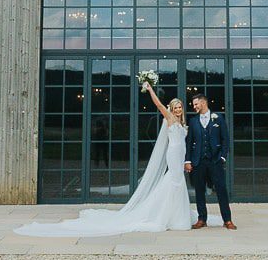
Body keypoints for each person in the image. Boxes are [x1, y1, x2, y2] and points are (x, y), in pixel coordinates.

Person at [15, 80, 192, 236]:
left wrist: (186, 160)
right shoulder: (169, 118)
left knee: (177, 182)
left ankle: (176, 215)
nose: (177, 110)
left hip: (180, 155)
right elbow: (159, 105)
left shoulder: (183, 123)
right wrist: (151, 89)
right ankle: (163, 214)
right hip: (173, 153)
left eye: (179, 107)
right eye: (175, 107)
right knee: (173, 181)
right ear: (172, 108)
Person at [185, 94, 235, 229]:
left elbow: (225, 139)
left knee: (221, 189)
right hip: (198, 161)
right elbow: (189, 142)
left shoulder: (218, 118)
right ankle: (202, 219)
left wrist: (223, 156)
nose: (194, 106)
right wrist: (187, 160)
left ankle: (227, 220)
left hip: (215, 160)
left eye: (196, 104)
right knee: (199, 190)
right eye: (193, 104)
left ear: (203, 102)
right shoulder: (193, 121)